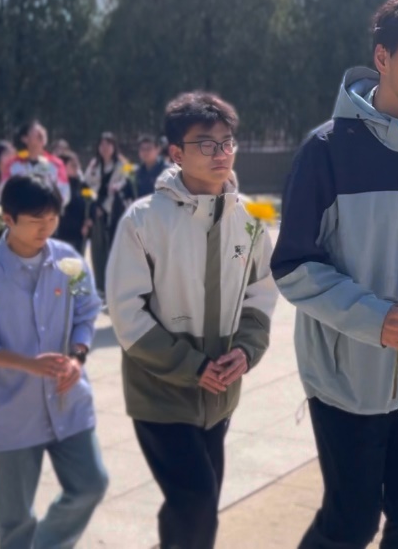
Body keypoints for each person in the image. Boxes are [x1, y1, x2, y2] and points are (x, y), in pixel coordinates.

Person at [271, 0, 398, 549]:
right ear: (382, 57)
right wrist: (373, 318)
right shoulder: (327, 151)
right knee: (350, 525)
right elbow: (291, 264)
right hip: (345, 381)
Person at [106, 92, 277, 549]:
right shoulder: (144, 220)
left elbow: (261, 290)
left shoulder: (250, 219)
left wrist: (246, 351)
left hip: (220, 395)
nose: (220, 152)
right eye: (205, 143)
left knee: (198, 508)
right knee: (196, 503)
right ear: (176, 153)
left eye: (226, 142)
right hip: (160, 392)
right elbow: (126, 312)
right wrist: (192, 366)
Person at [0, 173, 108, 548]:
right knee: (15, 520)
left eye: (52, 218)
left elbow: (86, 311)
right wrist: (28, 364)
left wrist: (77, 357)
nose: (46, 228)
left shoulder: (68, 261)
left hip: (67, 400)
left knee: (91, 484)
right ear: (8, 219)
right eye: (36, 220)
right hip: (10, 411)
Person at [84, 133, 136, 294]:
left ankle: (116, 285)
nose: (105, 148)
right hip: (96, 212)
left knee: (115, 247)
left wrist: (107, 203)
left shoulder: (123, 164)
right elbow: (85, 187)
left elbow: (129, 182)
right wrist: (94, 205)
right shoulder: (93, 165)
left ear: (114, 146)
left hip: (116, 210)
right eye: (102, 145)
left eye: (108, 144)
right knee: (97, 248)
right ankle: (100, 285)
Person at [1, 121, 70, 207]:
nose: (42, 133)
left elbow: (64, 194)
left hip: (46, 212)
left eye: (43, 131)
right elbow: (3, 191)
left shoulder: (56, 164)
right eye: (37, 132)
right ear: (25, 139)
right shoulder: (12, 165)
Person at [54, 152, 93, 253]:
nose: (77, 168)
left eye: (77, 165)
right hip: (60, 233)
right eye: (73, 165)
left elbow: (92, 202)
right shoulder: (57, 185)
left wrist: (89, 220)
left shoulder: (82, 185)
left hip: (79, 233)